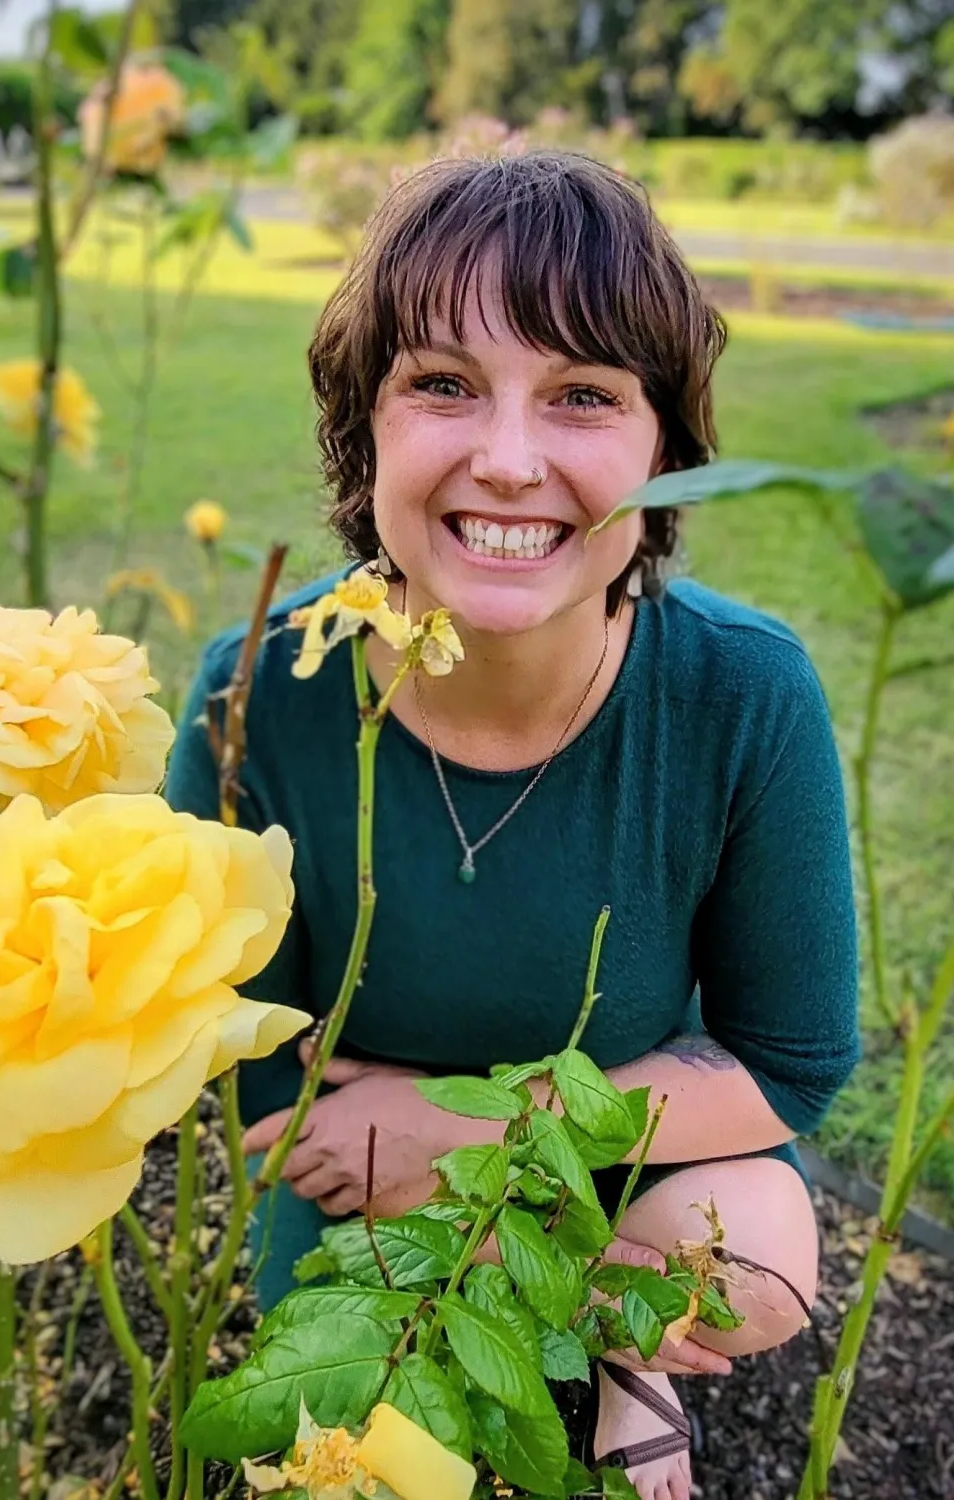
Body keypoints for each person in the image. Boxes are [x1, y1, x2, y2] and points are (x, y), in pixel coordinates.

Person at [164, 152, 859, 1500]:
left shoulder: (744, 693)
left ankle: (625, 1357)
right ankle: (572, 1325)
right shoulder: (264, 691)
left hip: (617, 1145)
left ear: (665, 455)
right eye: (442, 383)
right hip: (359, 1159)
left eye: (584, 395)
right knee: (338, 1443)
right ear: (363, 427)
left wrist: (476, 1130)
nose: (507, 460)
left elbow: (789, 1066)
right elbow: (244, 1072)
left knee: (761, 1264)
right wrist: (434, 1180)